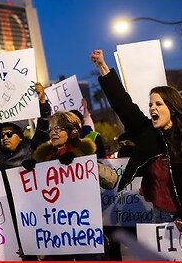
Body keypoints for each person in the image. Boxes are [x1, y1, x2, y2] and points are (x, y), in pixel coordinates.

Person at [90, 49, 182, 236]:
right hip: (159, 218)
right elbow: (123, 105)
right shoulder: (148, 134)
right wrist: (103, 67)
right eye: (150, 104)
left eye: (158, 104)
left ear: (173, 108)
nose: (152, 107)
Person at [24, 111, 118, 261]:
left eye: (58, 129)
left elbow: (111, 180)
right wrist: (32, 172)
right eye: (50, 130)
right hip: (57, 237)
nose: (52, 133)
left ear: (73, 131)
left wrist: (81, 162)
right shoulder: (43, 161)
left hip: (85, 234)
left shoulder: (84, 155)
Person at [0, 82, 51, 169]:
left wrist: (42, 101)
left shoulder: (32, 148)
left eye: (9, 134)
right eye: (2, 134)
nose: (5, 138)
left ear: (20, 136)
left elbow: (43, 127)